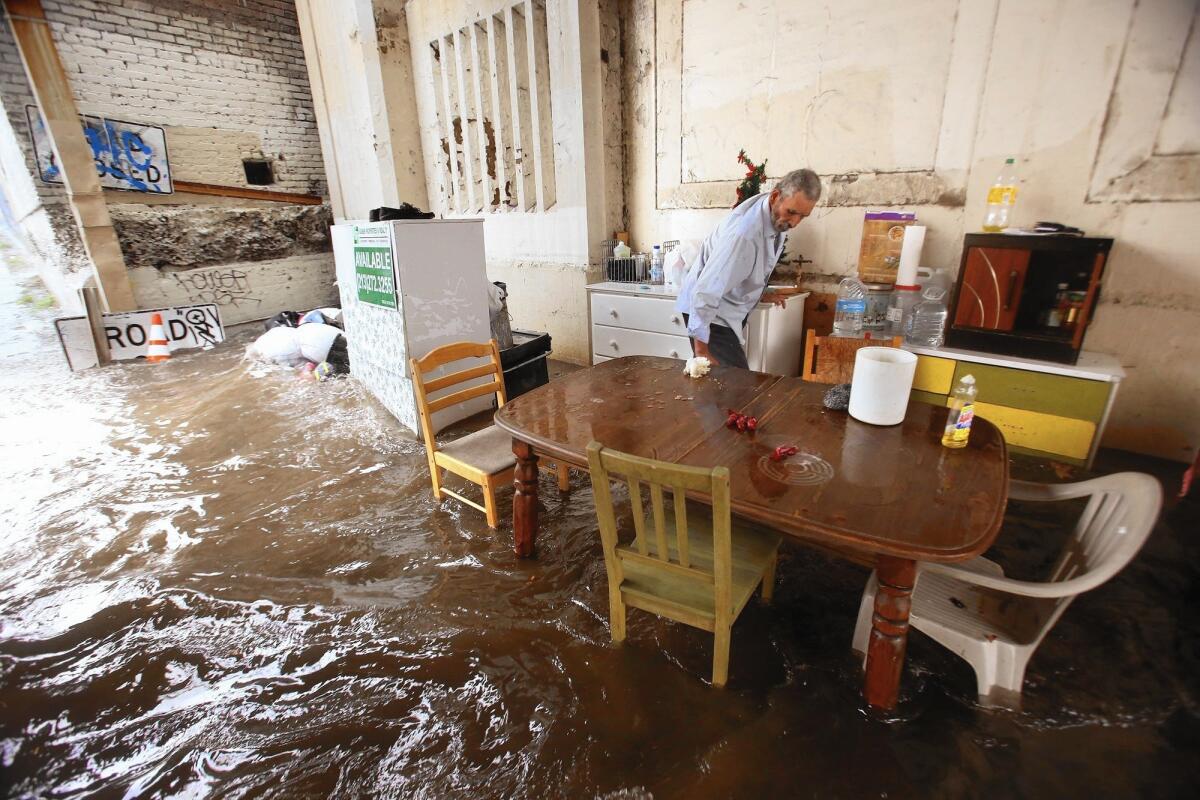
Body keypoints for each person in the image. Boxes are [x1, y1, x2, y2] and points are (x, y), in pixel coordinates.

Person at [674, 168, 822, 368]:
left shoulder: (774, 213)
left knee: (726, 386)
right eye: (792, 212)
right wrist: (701, 352)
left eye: (803, 216)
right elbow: (705, 291)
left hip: (723, 308)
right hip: (710, 312)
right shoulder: (744, 236)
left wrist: (760, 293)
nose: (795, 222)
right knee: (733, 385)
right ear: (776, 197)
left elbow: (747, 267)